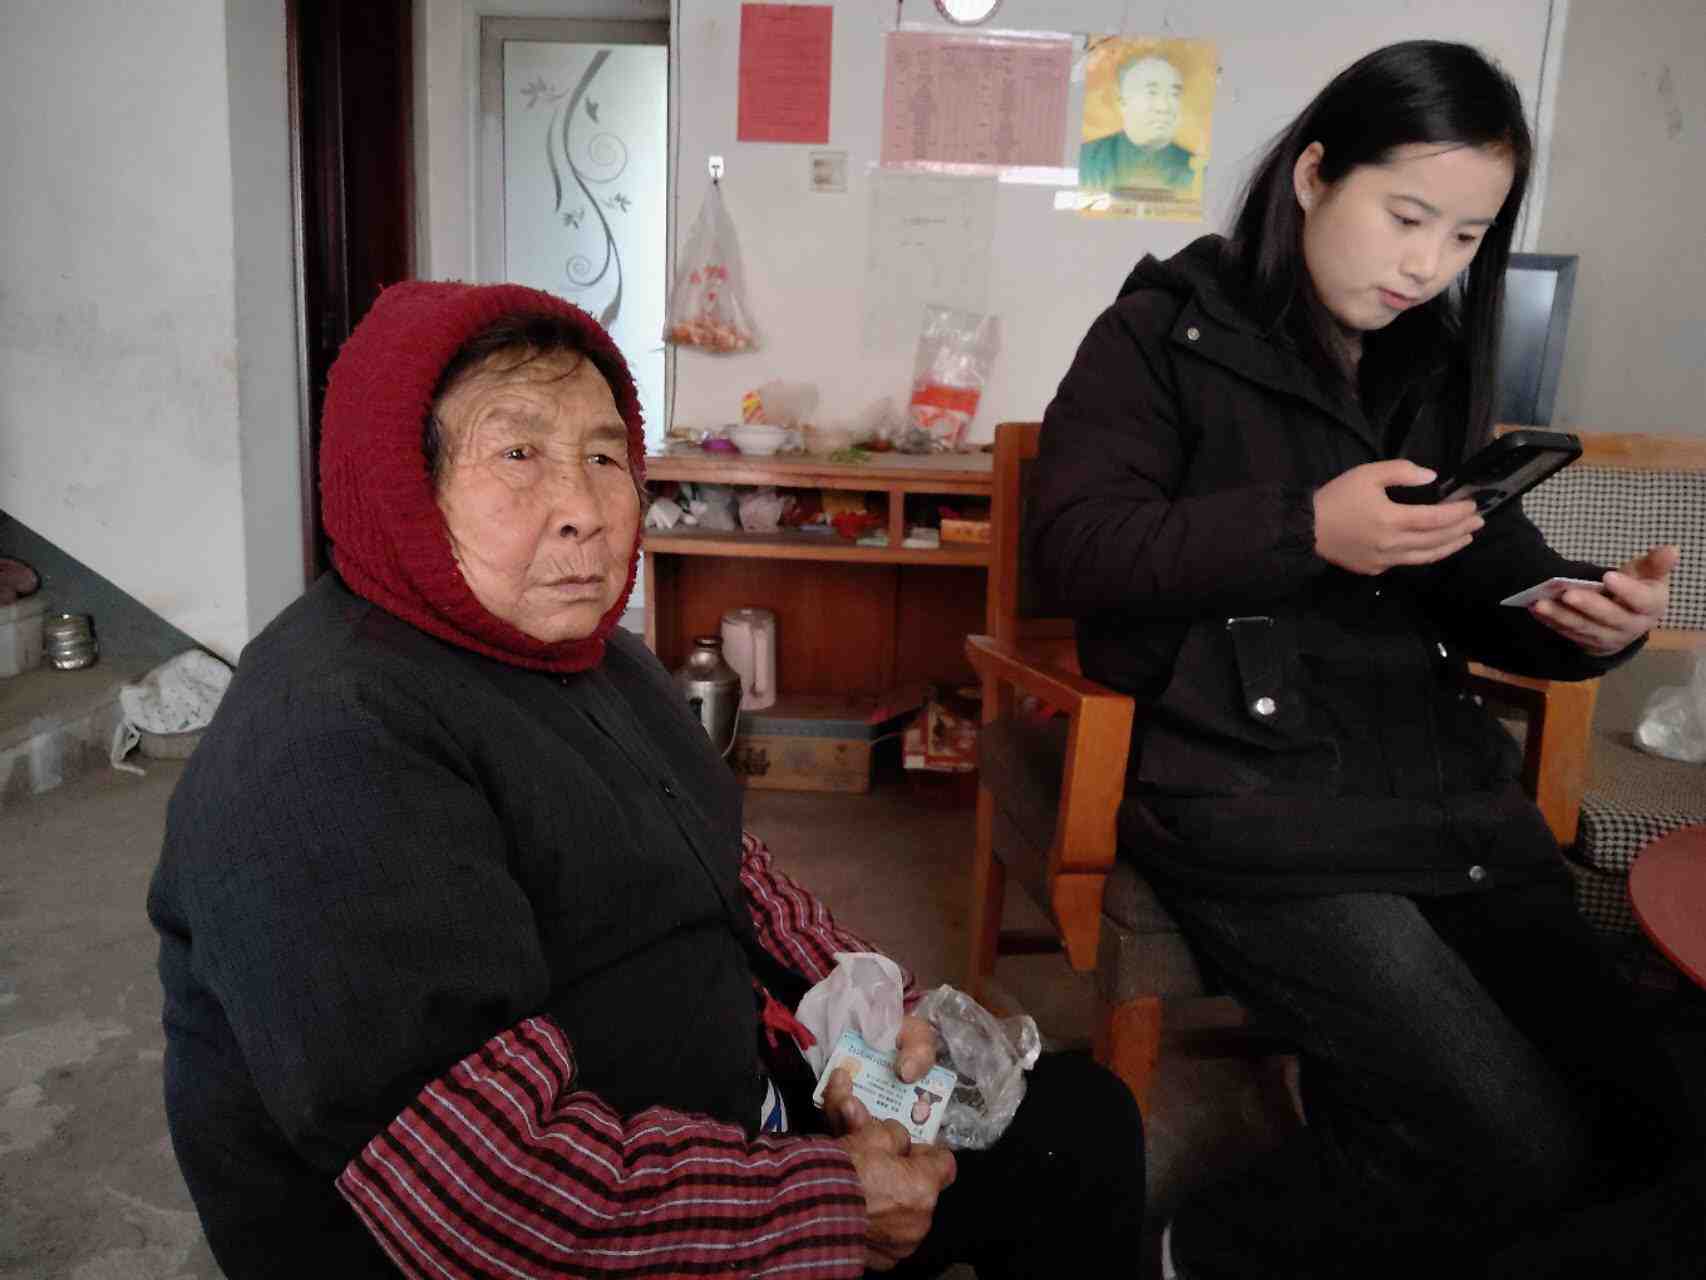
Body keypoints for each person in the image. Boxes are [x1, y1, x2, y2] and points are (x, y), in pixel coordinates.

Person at [147, 281, 1144, 1279]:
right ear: (401, 482)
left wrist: (871, 1009)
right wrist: (831, 1202)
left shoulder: (589, 654)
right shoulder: (326, 754)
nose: (584, 512)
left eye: (602, 455)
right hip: (597, 1230)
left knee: (1078, 1124)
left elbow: (725, 863)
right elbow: (493, 1206)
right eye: (518, 453)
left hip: (730, 1117)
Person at [1030, 40, 1698, 1280]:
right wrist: (1304, 529)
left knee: (1650, 1122)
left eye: (1463, 236)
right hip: (1249, 794)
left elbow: (1475, 556)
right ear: (1311, 174)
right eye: (1404, 216)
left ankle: (1371, 1124)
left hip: (1433, 788)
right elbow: (1074, 549)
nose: (1425, 264)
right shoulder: (1156, 334)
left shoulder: (1423, 361)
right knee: (1518, 1148)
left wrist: (1574, 616)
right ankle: (1202, 1243)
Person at [1078, 52, 1196, 194]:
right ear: (1123, 104)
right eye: (1152, 93)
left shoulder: (1197, 170)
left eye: (1174, 94)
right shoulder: (1085, 161)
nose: (1164, 107)